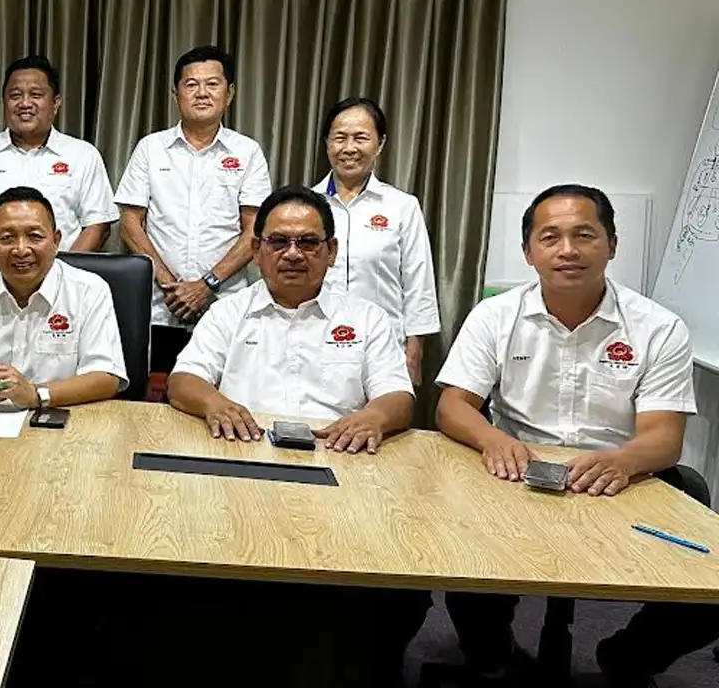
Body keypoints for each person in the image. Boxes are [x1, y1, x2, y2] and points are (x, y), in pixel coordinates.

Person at [435, 184, 718, 686]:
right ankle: (493, 655)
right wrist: (493, 439)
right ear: (529, 251)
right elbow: (453, 406)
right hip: (515, 477)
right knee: (461, 550)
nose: (567, 250)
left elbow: (663, 437)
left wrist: (623, 461)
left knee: (710, 581)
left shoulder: (658, 327)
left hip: (619, 482)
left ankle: (630, 656)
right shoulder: (495, 316)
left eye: (584, 235)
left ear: (612, 244)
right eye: (550, 237)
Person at [168, 184, 414, 451]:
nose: (293, 254)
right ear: (256, 250)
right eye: (279, 242)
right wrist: (214, 404)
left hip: (336, 451)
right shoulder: (227, 312)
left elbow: (398, 396)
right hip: (244, 446)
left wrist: (374, 417)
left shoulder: (367, 318)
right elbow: (183, 380)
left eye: (308, 243)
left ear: (331, 251)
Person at [116, 45, 271, 370]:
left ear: (229, 93)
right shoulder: (150, 148)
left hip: (224, 305)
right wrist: (170, 286)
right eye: (191, 84)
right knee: (154, 391)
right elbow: (129, 224)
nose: (202, 93)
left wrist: (206, 285)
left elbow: (255, 230)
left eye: (212, 84)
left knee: (220, 393)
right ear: (175, 95)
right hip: (159, 306)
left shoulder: (247, 152)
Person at [0, 186, 126, 408]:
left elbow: (106, 377)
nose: (21, 250)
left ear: (56, 240)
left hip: (59, 417)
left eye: (35, 237)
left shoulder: (89, 290)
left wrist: (35, 395)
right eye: (7, 238)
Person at [0, 55, 119, 270]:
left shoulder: (83, 155)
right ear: (4, 101)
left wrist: (61, 277)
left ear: (55, 103)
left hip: (63, 282)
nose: (25, 103)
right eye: (15, 95)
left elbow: (97, 225)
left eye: (36, 95)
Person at [312, 97, 439, 384]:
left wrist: (414, 352)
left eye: (360, 138)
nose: (349, 148)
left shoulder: (402, 206)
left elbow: (419, 283)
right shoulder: (306, 205)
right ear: (327, 143)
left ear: (380, 144)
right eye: (339, 138)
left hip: (384, 347)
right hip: (314, 343)